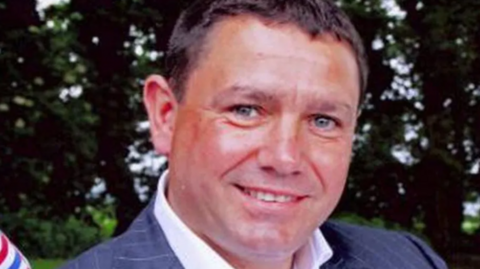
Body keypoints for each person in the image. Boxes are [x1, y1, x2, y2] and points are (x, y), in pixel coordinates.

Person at [61, 0, 448, 268]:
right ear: (165, 115)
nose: (285, 158)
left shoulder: (408, 260)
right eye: (245, 110)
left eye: (323, 121)